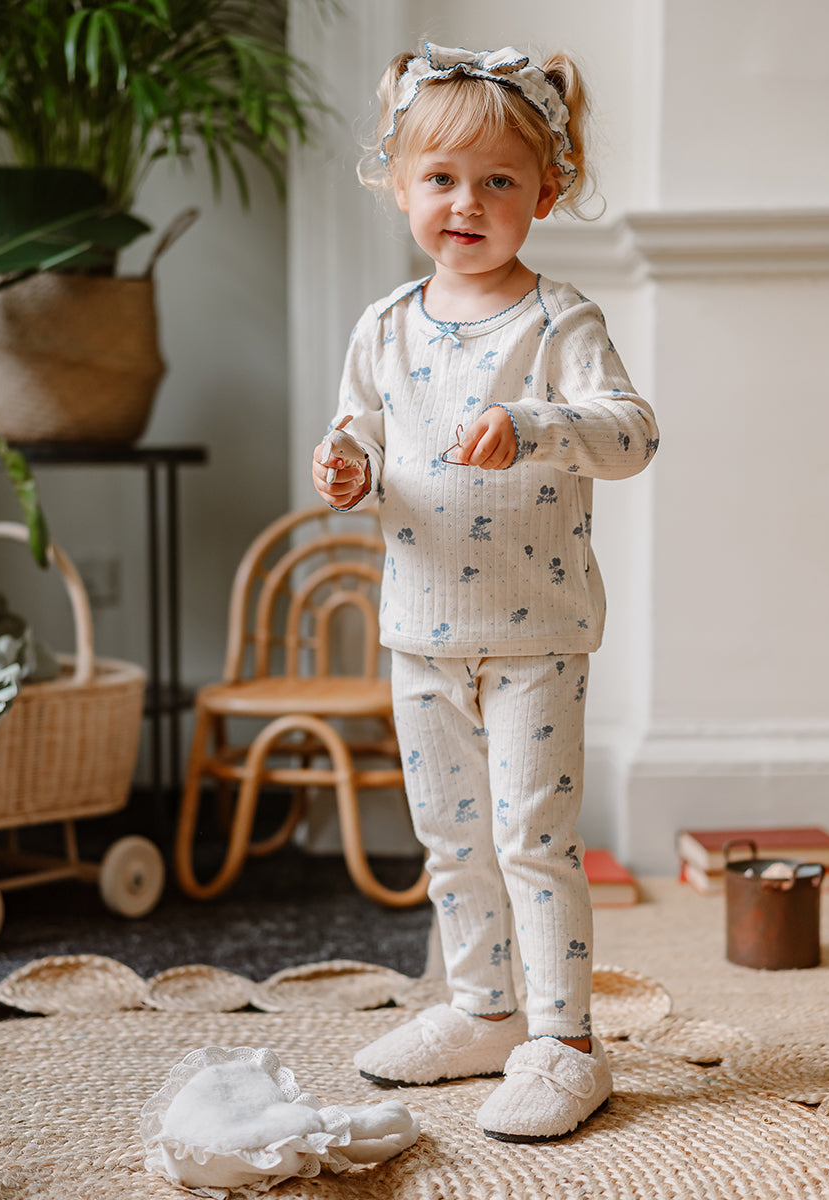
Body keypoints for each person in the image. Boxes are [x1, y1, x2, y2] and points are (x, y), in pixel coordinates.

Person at [311, 42, 659, 1144]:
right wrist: (348, 467)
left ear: (545, 193)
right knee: (452, 841)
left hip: (535, 634)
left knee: (531, 840)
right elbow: (363, 434)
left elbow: (632, 434)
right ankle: (483, 1011)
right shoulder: (384, 325)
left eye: (498, 180)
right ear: (399, 184)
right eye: (442, 178)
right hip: (419, 632)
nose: (467, 203)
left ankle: (565, 1043)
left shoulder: (558, 322)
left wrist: (534, 427)